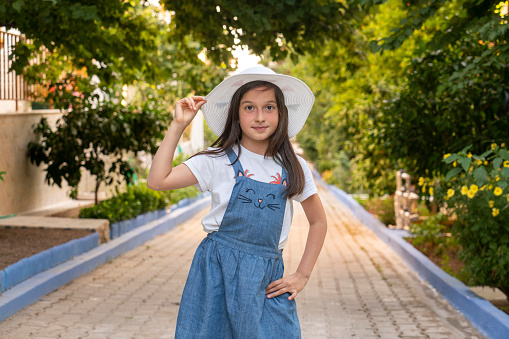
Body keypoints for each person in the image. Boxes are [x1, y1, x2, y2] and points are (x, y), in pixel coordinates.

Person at [147, 66, 327, 339]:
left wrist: (302, 274)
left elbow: (318, 221)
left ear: (281, 113)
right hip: (216, 272)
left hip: (266, 278)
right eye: (248, 107)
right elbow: (158, 181)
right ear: (236, 114)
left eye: (269, 107)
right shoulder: (216, 160)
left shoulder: (293, 166)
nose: (259, 117)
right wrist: (178, 125)